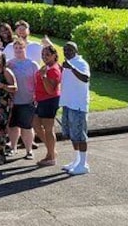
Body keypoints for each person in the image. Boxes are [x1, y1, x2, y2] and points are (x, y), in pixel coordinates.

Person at [60, 41, 91, 175]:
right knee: (72, 135)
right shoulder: (66, 64)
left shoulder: (81, 63)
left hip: (78, 106)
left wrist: (71, 67)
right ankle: (77, 161)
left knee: (80, 135)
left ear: (76, 51)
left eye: (70, 50)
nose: (67, 52)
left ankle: (83, 164)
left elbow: (85, 78)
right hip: (68, 104)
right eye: (65, 50)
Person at [7, 38, 39, 159]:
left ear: (25, 48)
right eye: (16, 48)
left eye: (21, 48)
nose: (18, 50)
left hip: (27, 100)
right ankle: (13, 147)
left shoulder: (32, 64)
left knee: (27, 126)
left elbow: (37, 82)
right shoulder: (10, 63)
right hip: (13, 101)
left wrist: (36, 97)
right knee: (12, 125)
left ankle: (29, 150)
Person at [34, 44, 62, 166]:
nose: (44, 57)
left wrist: (43, 76)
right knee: (35, 125)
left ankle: (50, 157)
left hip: (49, 101)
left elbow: (50, 90)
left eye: (47, 55)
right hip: (41, 100)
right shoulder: (48, 67)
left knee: (48, 129)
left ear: (54, 56)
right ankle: (52, 151)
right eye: (43, 55)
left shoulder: (53, 70)